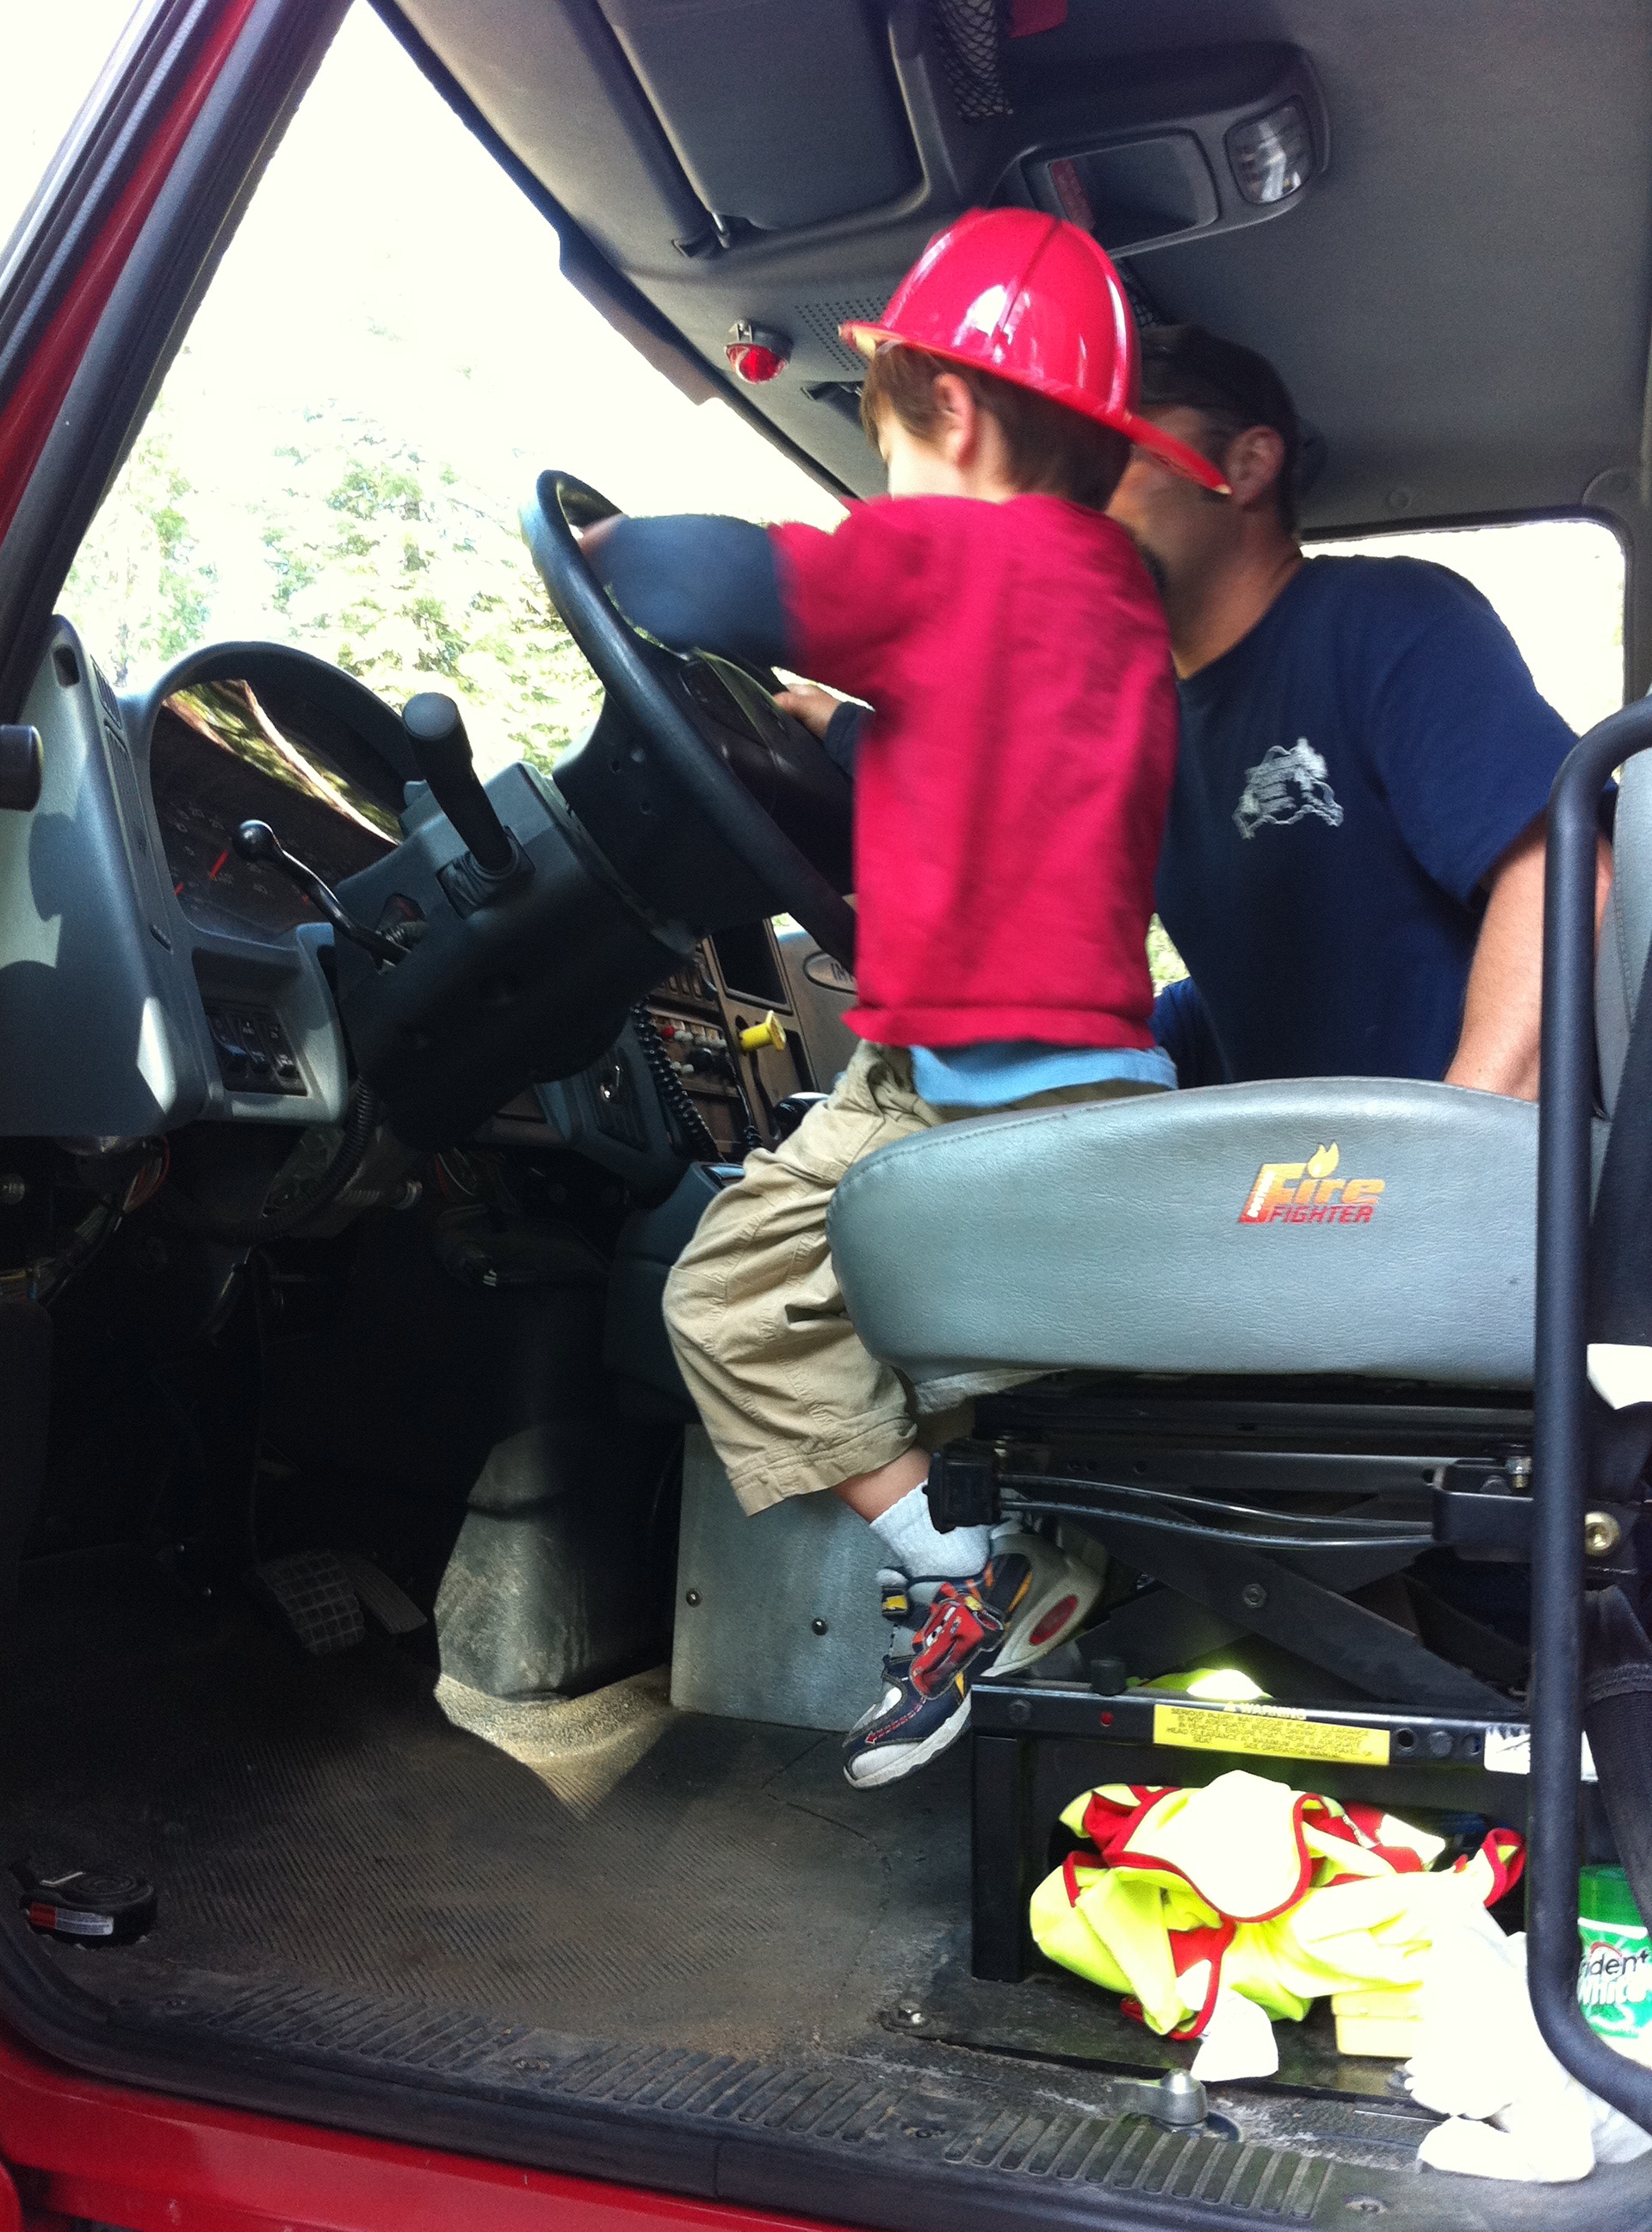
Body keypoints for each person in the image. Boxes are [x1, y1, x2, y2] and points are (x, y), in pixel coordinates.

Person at [581, 208, 1228, 1788]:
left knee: (723, 1296)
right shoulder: (1106, 601)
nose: (883, 480)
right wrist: (836, 724)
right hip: (1064, 1067)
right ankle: (1010, 1546)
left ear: (945, 407)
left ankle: (958, 1567)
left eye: (882, 438)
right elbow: (1004, 763)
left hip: (976, 1084)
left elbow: (718, 571)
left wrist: (595, 551)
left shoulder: (955, 557)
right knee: (809, 1248)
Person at [1104, 324, 1613, 1095]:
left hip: (1429, 1186)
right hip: (1291, 1193)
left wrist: (1454, 1159)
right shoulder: (1140, 725)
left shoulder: (1384, 621)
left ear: (1246, 465)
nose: (1084, 494)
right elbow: (1261, 984)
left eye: (1119, 450)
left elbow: (1569, 877)